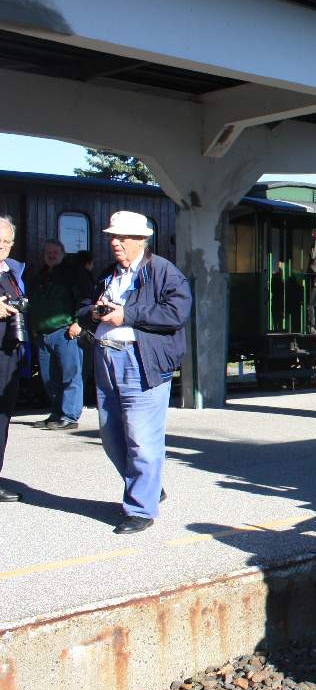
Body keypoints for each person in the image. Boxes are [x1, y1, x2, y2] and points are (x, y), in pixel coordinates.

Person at [77, 211, 192, 534]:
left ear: (141, 240)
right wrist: (94, 313)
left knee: (142, 439)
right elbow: (84, 308)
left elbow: (176, 312)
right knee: (112, 436)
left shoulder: (163, 272)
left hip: (140, 360)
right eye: (112, 237)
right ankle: (150, 487)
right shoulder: (107, 274)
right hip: (106, 359)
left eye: (122, 237)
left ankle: (140, 509)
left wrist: (127, 314)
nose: (115, 243)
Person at [24, 239, 86, 429]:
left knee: (70, 375)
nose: (51, 255)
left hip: (65, 332)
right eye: (48, 253)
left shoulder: (73, 273)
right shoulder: (39, 276)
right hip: (43, 334)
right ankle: (56, 413)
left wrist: (78, 322)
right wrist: (33, 326)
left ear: (63, 253)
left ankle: (70, 416)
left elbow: (84, 299)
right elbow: (32, 302)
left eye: (55, 252)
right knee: (49, 378)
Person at [0, 218, 30, 503]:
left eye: (7, 241)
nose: (2, 246)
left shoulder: (13, 272)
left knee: (2, 418)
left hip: (7, 355)